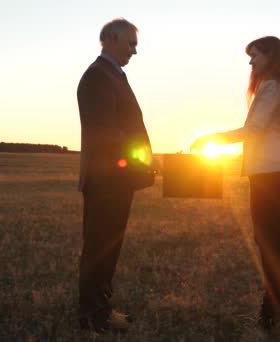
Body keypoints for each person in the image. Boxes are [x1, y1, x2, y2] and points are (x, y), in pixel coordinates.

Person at [191, 36, 280, 329]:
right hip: (267, 172)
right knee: (267, 241)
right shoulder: (273, 85)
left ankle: (272, 310)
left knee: (269, 243)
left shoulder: (272, 85)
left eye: (255, 55)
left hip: (268, 173)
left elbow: (252, 130)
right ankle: (272, 307)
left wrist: (211, 138)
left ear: (271, 56)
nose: (250, 62)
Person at [77, 18, 153, 334]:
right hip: (107, 180)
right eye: (130, 44)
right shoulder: (98, 77)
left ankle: (101, 310)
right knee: (99, 249)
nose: (135, 51)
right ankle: (92, 317)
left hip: (117, 180)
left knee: (109, 248)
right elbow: (106, 133)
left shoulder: (113, 76)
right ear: (109, 38)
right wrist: (137, 160)